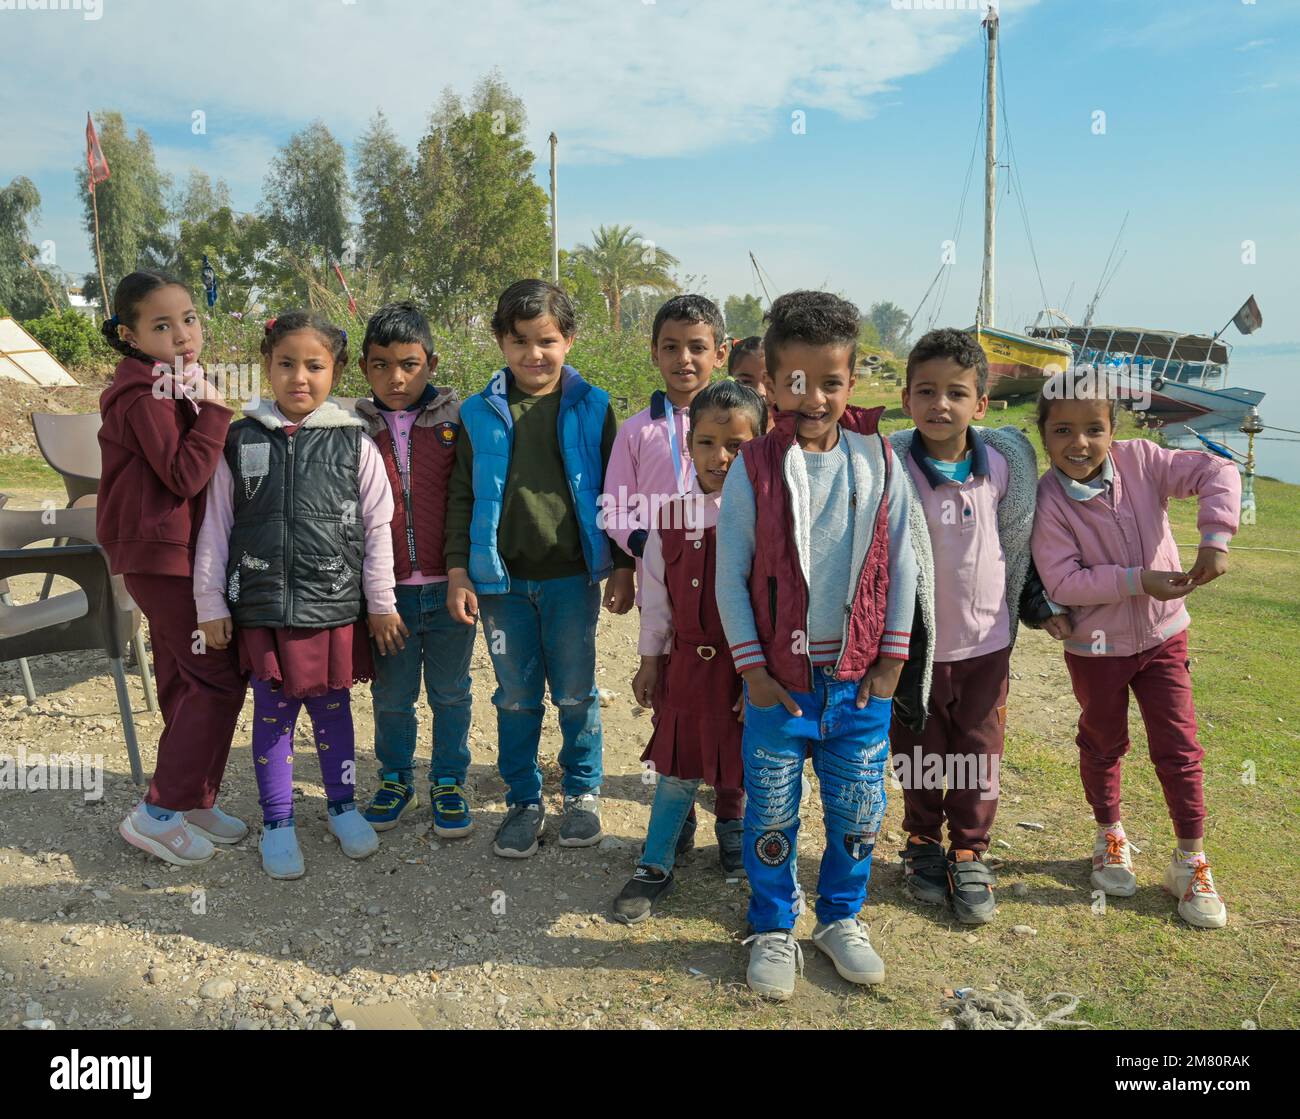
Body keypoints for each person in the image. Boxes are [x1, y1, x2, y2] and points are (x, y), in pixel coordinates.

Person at [717, 290, 917, 1000]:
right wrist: (754, 672)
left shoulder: (880, 460)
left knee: (858, 806)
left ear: (852, 378)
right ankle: (773, 923)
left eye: (830, 381)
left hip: (859, 682)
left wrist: (892, 659)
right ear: (768, 383)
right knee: (770, 806)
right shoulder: (753, 467)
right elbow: (730, 575)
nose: (814, 397)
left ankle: (839, 917)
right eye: (795, 382)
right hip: (779, 682)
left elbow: (903, 563)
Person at [1031, 369, 1240, 928]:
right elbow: (1063, 583)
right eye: (1063, 431)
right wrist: (1136, 580)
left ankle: (1190, 860)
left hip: (1164, 636)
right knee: (1104, 742)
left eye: (1094, 429)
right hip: (1094, 650)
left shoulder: (1145, 461)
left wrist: (1215, 537)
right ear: (1044, 436)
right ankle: (1110, 834)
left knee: (1179, 746)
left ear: (1113, 429)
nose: (1080, 444)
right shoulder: (1046, 500)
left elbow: (1220, 468)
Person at [193, 312, 399, 879]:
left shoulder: (355, 442)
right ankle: (278, 821)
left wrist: (379, 602)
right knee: (273, 714)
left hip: (332, 607)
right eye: (286, 364)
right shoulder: (241, 438)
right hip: (262, 607)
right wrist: (210, 603)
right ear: (267, 367)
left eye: (315, 365)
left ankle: (342, 806)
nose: (299, 378)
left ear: (335, 371)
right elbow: (216, 525)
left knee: (335, 712)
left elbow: (377, 527)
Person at [444, 280, 634, 858]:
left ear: (569, 340)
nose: (534, 354)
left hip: (572, 580)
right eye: (520, 340)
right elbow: (459, 496)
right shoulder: (475, 413)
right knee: (517, 695)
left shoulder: (594, 407)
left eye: (547, 340)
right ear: (501, 342)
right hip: (501, 585)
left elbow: (617, 489)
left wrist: (622, 563)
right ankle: (524, 799)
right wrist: (457, 571)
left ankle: (581, 794)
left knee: (577, 692)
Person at [888, 328, 1067, 924]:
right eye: (926, 391)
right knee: (919, 748)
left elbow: (1021, 545)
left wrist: (1034, 605)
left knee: (977, 749)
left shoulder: (1006, 462)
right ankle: (921, 844)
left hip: (988, 642)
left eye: (956, 393)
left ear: (980, 404)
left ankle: (969, 849)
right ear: (907, 398)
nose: (941, 404)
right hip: (914, 646)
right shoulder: (891, 464)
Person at [97, 270, 248, 866]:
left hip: (175, 553)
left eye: (189, 319)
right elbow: (184, 474)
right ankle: (157, 813)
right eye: (161, 325)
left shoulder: (174, 383)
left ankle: (192, 798)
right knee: (217, 676)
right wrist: (217, 412)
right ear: (131, 336)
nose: (183, 334)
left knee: (187, 678)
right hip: (163, 557)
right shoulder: (142, 396)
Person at [612, 380, 767, 923]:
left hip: (744, 668)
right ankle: (655, 863)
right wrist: (650, 659)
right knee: (677, 764)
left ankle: (734, 833)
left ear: (761, 446)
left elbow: (775, 606)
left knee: (742, 758)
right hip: (685, 665)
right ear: (688, 445)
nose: (720, 457)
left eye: (739, 446)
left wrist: (761, 675)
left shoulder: (768, 521)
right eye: (706, 442)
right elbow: (655, 596)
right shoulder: (669, 516)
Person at [601, 294, 746, 872]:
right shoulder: (638, 430)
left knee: (738, 707)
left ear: (720, 352)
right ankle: (679, 817)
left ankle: (732, 820)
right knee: (675, 702)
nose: (683, 359)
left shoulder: (745, 425)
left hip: (735, 609)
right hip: (669, 593)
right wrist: (650, 551)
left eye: (697, 347)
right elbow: (615, 506)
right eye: (670, 346)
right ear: (654, 351)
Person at [353, 303, 475, 838]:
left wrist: (462, 572)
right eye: (380, 365)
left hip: (450, 588)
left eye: (409, 364)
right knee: (392, 696)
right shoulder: (351, 427)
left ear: (432, 363)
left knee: (451, 691)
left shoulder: (458, 419)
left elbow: (468, 499)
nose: (395, 378)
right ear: (363, 367)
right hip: (388, 594)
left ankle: (448, 780)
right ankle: (396, 779)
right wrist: (372, 596)